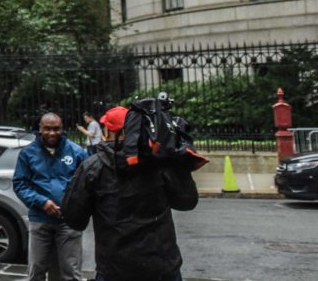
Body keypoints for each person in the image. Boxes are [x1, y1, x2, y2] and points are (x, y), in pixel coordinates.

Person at [62, 107, 199, 281]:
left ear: (109, 130)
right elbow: (187, 202)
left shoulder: (93, 167)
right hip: (162, 267)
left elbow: (74, 218)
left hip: (115, 269)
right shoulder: (160, 161)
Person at [12, 112, 88, 281]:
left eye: (56, 129)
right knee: (36, 270)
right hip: (40, 219)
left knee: (71, 272)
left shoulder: (77, 152)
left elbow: (87, 184)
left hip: (69, 222)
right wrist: (42, 202)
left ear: (62, 129)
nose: (52, 133)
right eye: (47, 129)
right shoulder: (28, 153)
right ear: (39, 129)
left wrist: (76, 208)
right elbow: (20, 184)